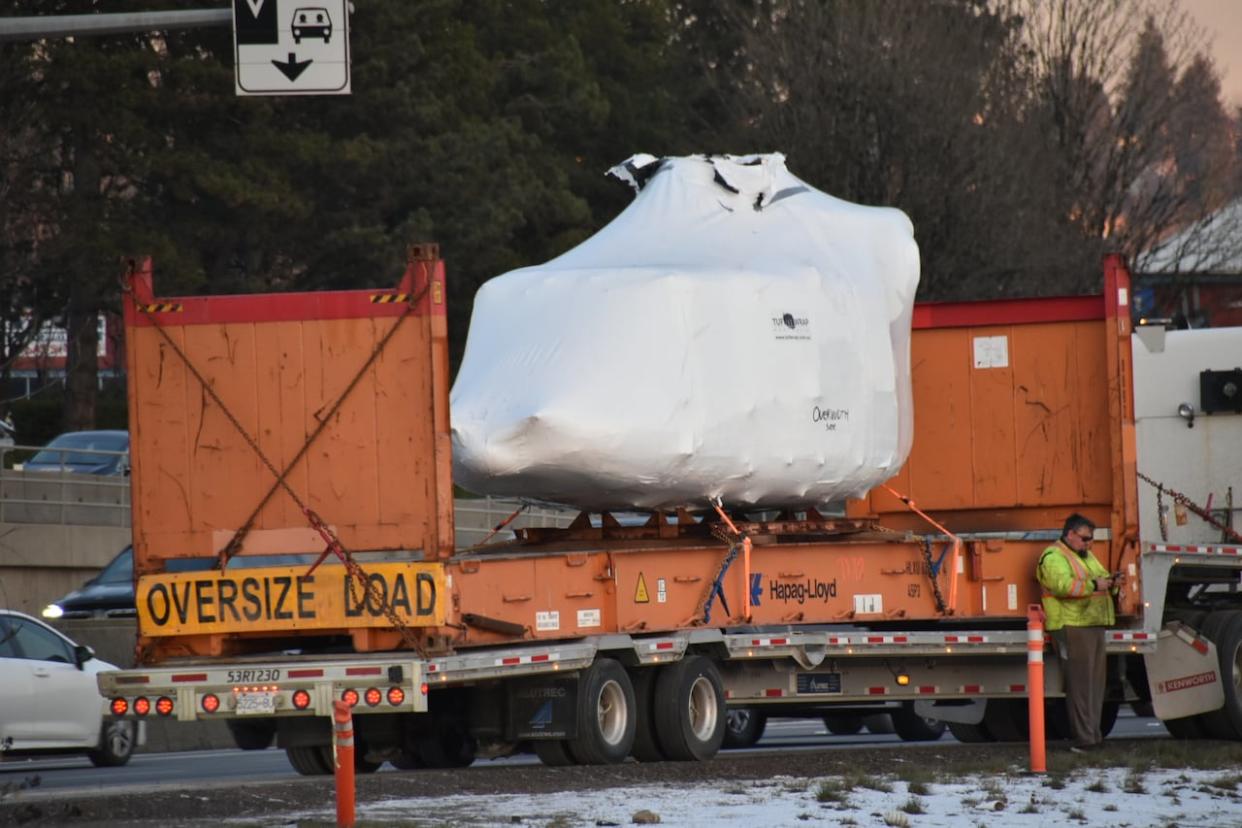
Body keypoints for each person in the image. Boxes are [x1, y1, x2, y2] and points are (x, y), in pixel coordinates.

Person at [1036, 513, 1120, 753]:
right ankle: (1085, 739)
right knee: (1081, 687)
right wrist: (1096, 585)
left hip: (1093, 624)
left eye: (1091, 539)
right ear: (1070, 534)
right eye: (1084, 539)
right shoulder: (1053, 557)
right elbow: (1062, 586)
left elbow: (1100, 577)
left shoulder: (1085, 555)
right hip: (1072, 625)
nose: (1089, 544)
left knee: (1094, 686)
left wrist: (1112, 582)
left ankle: (1094, 737)